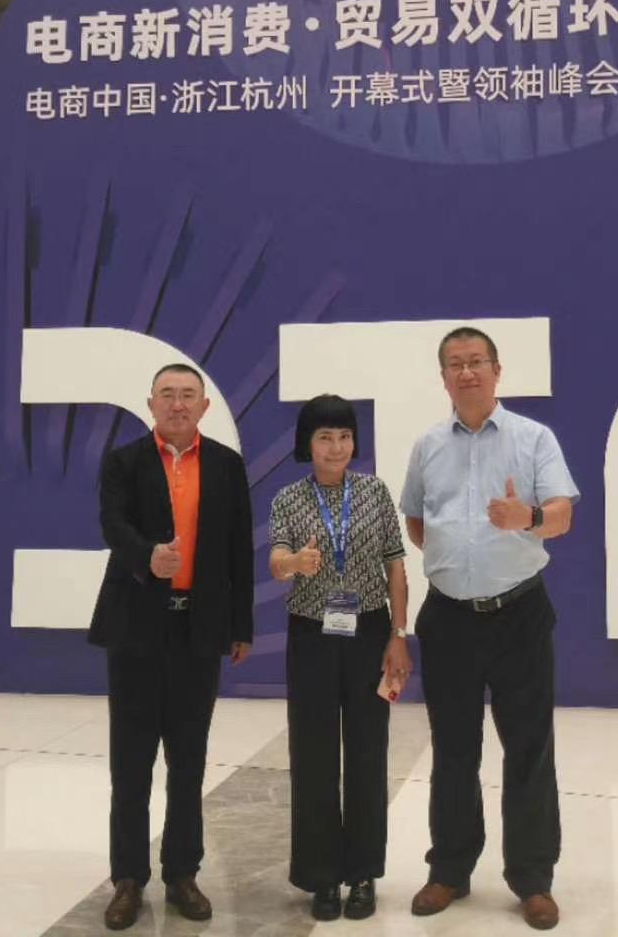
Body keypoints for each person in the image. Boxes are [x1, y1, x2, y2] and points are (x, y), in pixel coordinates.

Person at [400, 327, 578, 932]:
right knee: (453, 749)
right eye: (455, 364)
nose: (467, 372)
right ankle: (450, 868)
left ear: (497, 371)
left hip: (519, 615)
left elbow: (562, 516)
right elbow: (417, 521)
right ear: (443, 377)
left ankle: (532, 878)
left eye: (477, 361)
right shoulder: (428, 445)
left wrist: (526, 517)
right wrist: (457, 562)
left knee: (528, 749)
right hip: (449, 618)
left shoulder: (534, 438)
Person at [88, 363, 254, 931]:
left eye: (188, 395)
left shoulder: (226, 465)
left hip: (198, 631)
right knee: (130, 762)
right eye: (167, 394)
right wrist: (147, 557)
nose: (178, 404)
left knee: (188, 760)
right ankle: (128, 878)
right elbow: (112, 523)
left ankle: (183, 872)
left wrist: (240, 625)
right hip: (135, 628)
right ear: (151, 404)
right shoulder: (124, 462)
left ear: (204, 407)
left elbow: (239, 550)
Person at [268, 394, 412, 921]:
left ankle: (364, 872)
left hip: (369, 632)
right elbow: (276, 561)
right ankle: (322, 876)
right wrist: (295, 562)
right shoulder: (288, 498)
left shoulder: (374, 492)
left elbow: (396, 566)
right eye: (325, 437)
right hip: (311, 635)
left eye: (345, 436)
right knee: (314, 754)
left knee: (369, 751)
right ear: (307, 444)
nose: (337, 447)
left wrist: (398, 634)